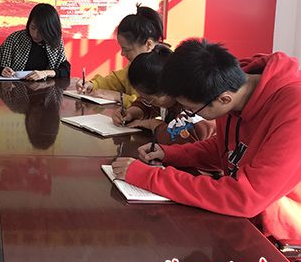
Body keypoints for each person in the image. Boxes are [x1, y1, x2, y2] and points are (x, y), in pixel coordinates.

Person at [112, 39, 301, 246]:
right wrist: (169, 153)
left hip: (280, 233)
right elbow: (224, 147)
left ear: (224, 99)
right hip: (243, 219)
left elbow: (245, 198)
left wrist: (149, 177)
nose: (188, 114)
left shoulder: (294, 109)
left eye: (192, 110)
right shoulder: (230, 87)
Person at [111, 44, 216, 144]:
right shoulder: (168, 96)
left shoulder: (194, 104)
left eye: (148, 99)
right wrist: (132, 112)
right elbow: (150, 105)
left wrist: (153, 124)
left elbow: (177, 138)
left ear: (168, 90)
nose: (146, 102)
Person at [77, 4, 163, 107]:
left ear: (148, 44)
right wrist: (93, 84)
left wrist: (119, 97)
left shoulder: (161, 69)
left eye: (127, 49)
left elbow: (151, 105)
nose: (122, 54)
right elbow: (116, 81)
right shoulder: (134, 66)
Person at [0, 3, 70, 81]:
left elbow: (65, 70)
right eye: (33, 27)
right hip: (14, 89)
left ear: (49, 30)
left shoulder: (54, 41)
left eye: (41, 31)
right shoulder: (16, 38)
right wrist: (1, 70)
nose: (35, 34)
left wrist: (45, 73)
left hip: (47, 89)